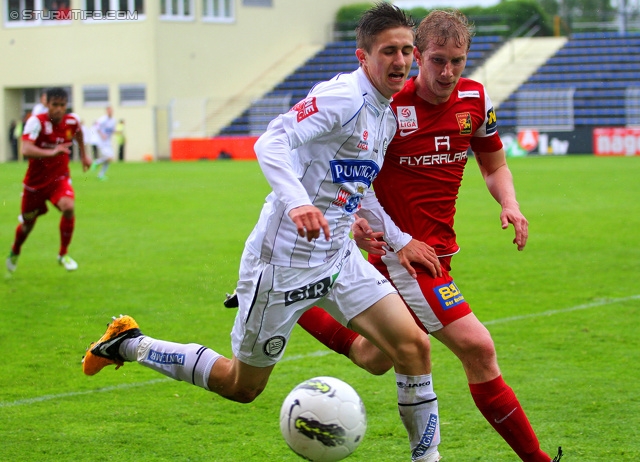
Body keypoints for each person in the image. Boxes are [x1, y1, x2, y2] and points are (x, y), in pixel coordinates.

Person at [82, 4, 445, 461]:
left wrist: (397, 239)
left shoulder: (385, 115)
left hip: (336, 257)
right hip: (283, 262)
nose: (401, 61)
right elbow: (271, 140)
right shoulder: (343, 99)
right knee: (242, 385)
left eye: (407, 51)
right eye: (389, 51)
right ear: (362, 56)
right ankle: (130, 343)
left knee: (410, 347)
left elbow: (360, 189)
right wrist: (297, 203)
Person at [225, 9, 562, 462]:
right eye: (436, 60)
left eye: (457, 62)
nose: (447, 72)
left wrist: (510, 203)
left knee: (376, 357)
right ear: (418, 56)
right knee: (477, 348)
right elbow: (340, 164)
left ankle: (296, 301)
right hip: (402, 255)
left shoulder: (477, 99)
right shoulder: (387, 100)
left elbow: (494, 162)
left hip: (439, 251)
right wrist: (365, 227)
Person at [6, 87, 92, 273]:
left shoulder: (72, 120)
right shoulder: (35, 122)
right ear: (47, 104)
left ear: (66, 105)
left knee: (68, 207)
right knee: (27, 226)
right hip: (35, 185)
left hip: (59, 179)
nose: (59, 109)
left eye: (62, 105)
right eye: (55, 105)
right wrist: (51, 151)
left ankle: (63, 254)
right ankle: (15, 250)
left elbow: (79, 134)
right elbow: (26, 149)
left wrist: (84, 156)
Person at [90, 106, 116, 179]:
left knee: (108, 160)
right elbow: (97, 128)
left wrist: (117, 132)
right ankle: (96, 162)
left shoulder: (113, 120)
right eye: (109, 110)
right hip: (102, 142)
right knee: (109, 157)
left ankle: (101, 175)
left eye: (111, 110)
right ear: (106, 111)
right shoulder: (102, 119)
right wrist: (102, 135)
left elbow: (112, 130)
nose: (110, 112)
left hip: (108, 142)